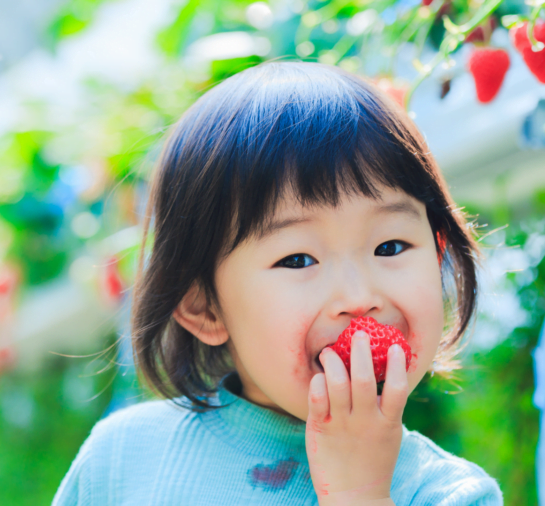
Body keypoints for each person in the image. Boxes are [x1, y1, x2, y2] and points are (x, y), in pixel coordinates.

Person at [52, 61, 503, 505]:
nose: (358, 298)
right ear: (203, 306)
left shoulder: (449, 494)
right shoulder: (123, 460)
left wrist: (359, 495)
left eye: (389, 247)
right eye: (298, 258)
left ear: (440, 251)